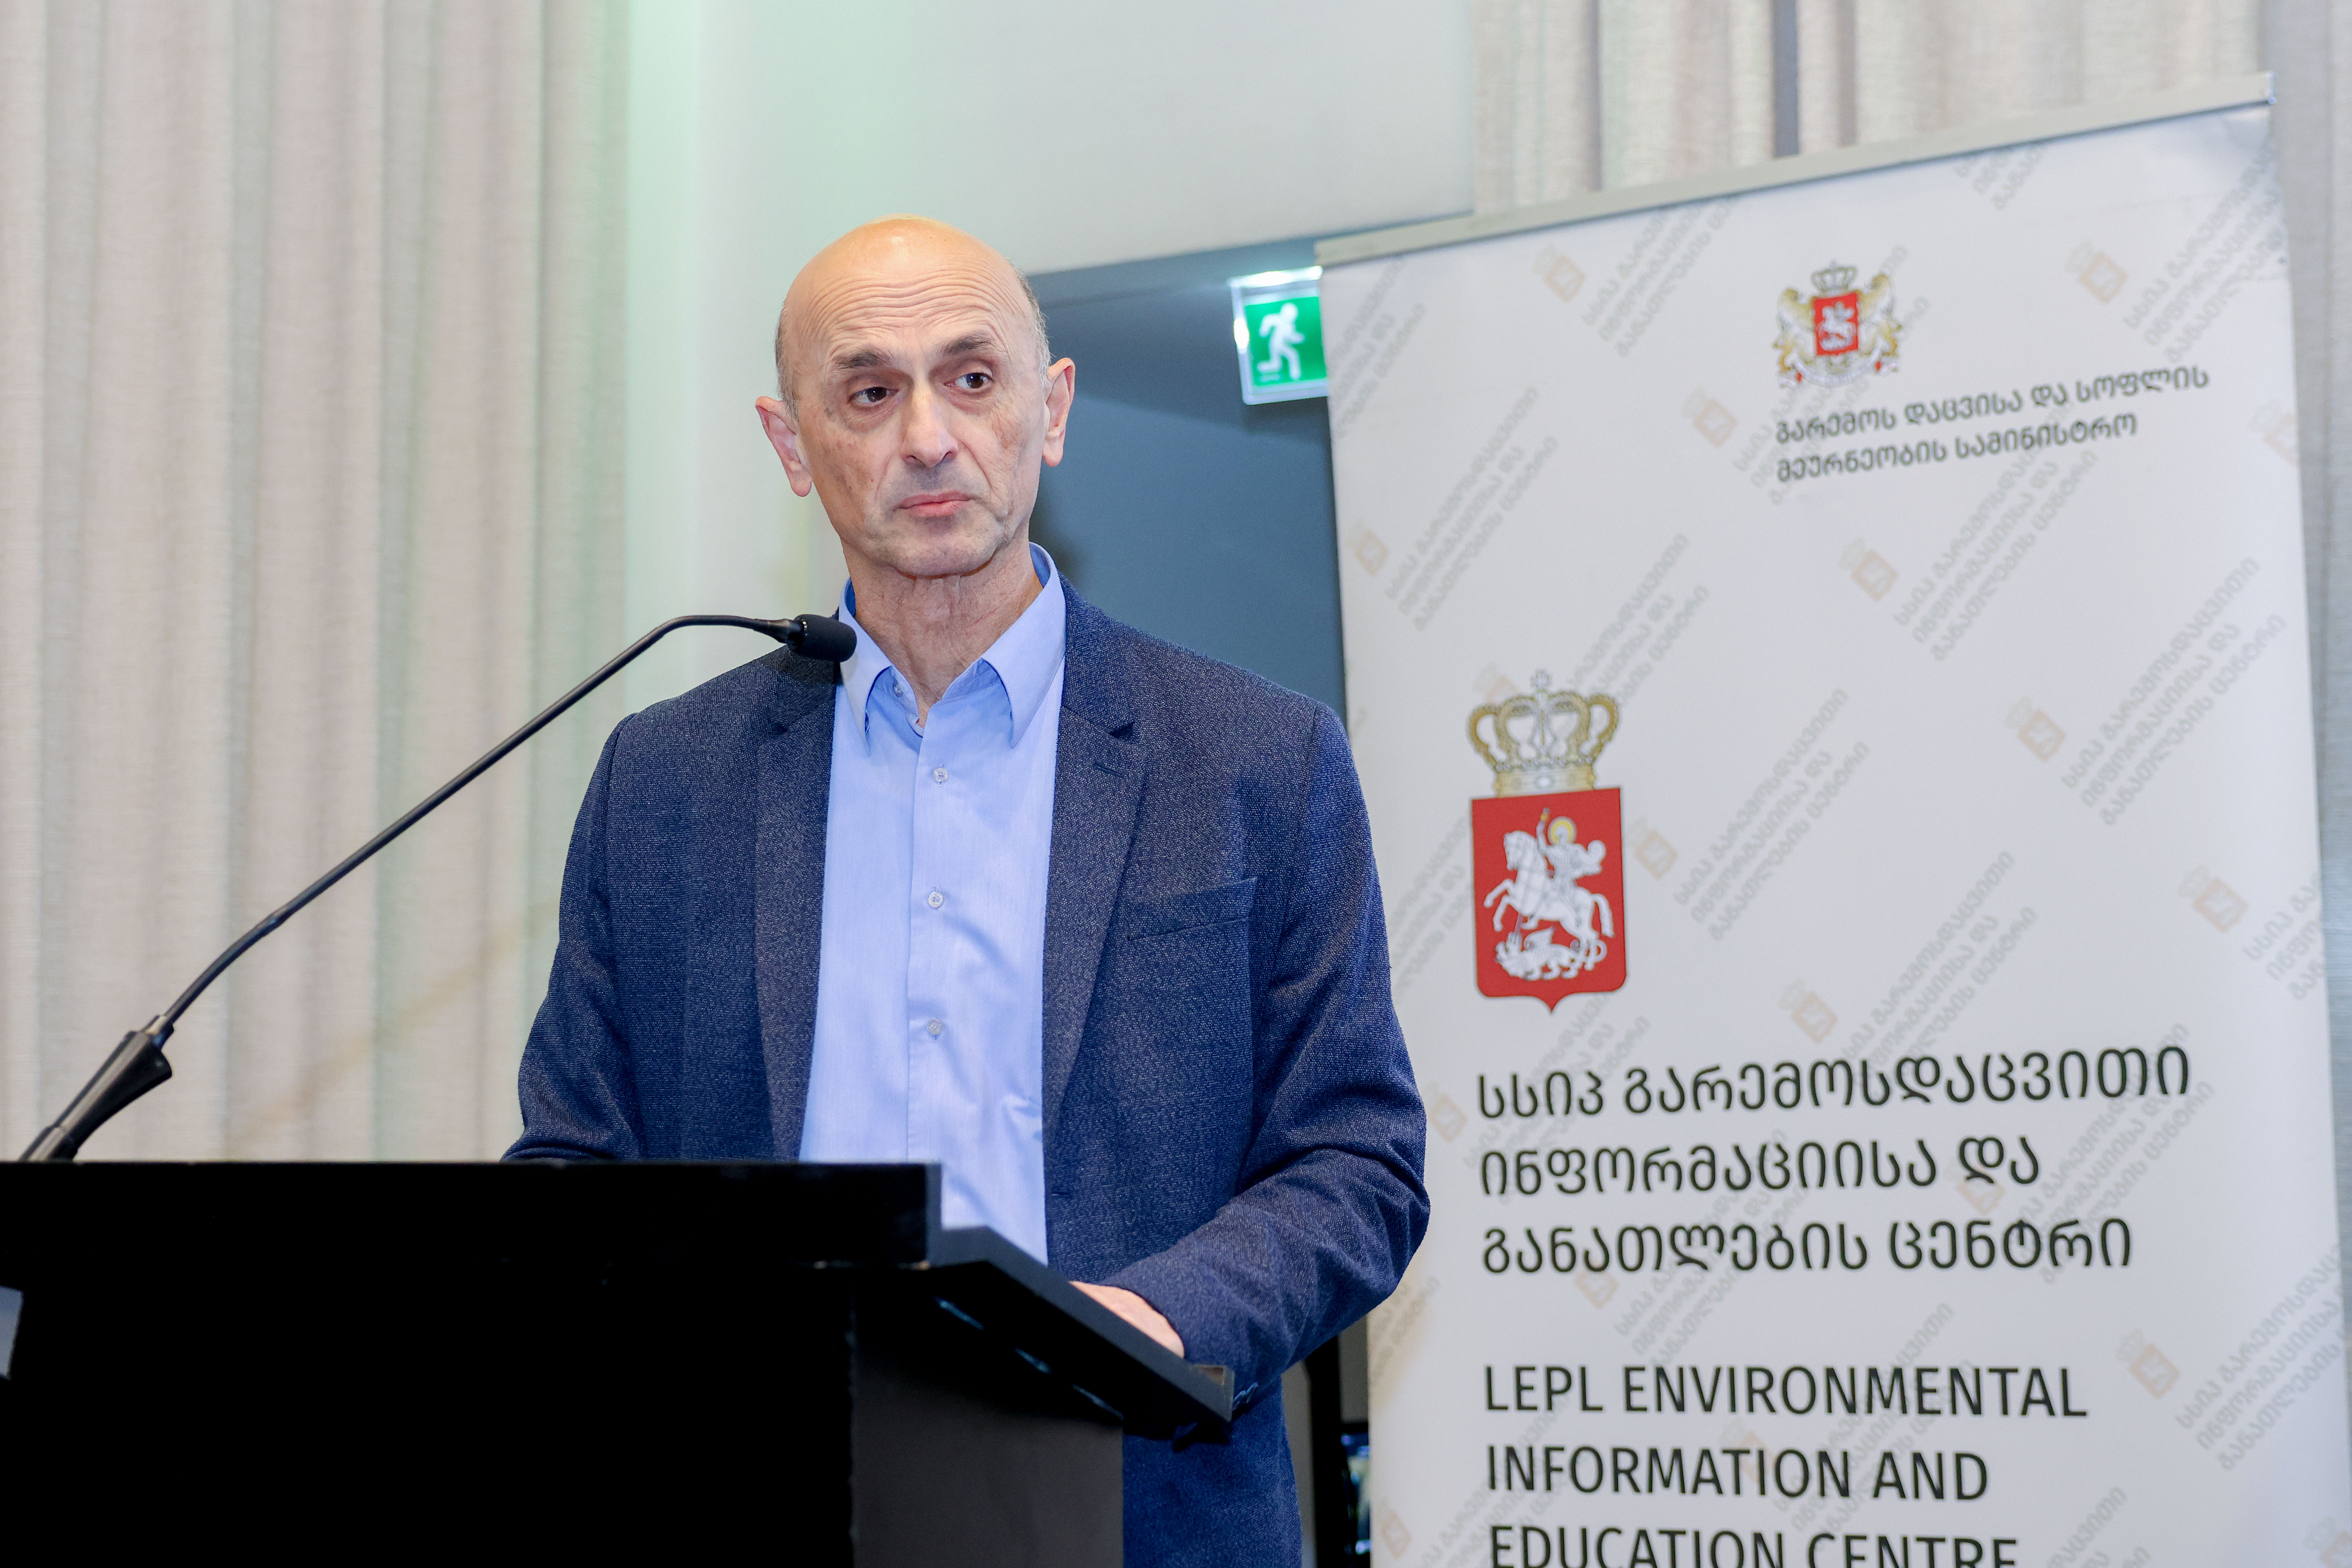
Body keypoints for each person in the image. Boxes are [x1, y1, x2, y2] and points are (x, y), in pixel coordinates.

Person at [508, 215, 1426, 1562]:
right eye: (869, 392)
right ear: (790, 445)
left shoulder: (1255, 758)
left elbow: (1355, 1160)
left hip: (1138, 1505)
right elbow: (574, 1164)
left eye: (973, 377)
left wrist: (1153, 1321)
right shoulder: (665, 779)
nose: (928, 436)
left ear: (1050, 411)